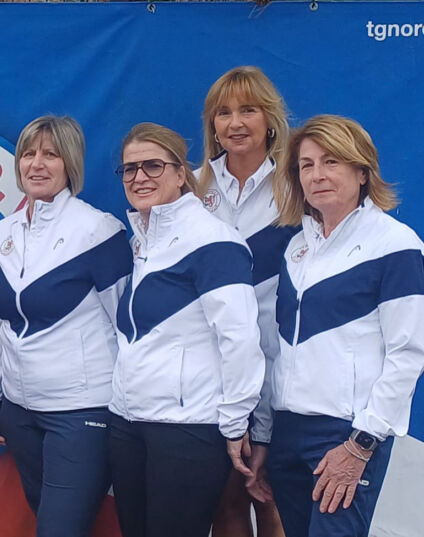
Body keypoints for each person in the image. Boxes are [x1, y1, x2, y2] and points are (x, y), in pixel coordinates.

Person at [267, 114, 424, 537]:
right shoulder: (296, 248)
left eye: (331, 161)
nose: (317, 175)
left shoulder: (396, 244)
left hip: (346, 434)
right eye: (306, 165)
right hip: (287, 429)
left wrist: (362, 443)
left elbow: (409, 353)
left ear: (362, 171)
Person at [0, 115, 131, 537]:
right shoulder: (2, 234)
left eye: (51, 154)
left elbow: (128, 325)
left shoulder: (98, 230)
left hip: (81, 411)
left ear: (71, 164)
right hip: (19, 413)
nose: (37, 164)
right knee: (50, 519)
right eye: (28, 154)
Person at [108, 122, 265, 537]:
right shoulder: (142, 243)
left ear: (181, 173)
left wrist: (235, 421)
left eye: (153, 166)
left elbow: (240, 338)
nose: (139, 177)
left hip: (186, 427)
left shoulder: (214, 241)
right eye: (129, 168)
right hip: (128, 421)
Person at [197, 65, 294, 537]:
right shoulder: (191, 185)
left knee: (270, 497)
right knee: (225, 502)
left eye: (248, 110)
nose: (235, 123)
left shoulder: (299, 185)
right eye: (224, 113)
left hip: (281, 365)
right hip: (211, 369)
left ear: (270, 119)